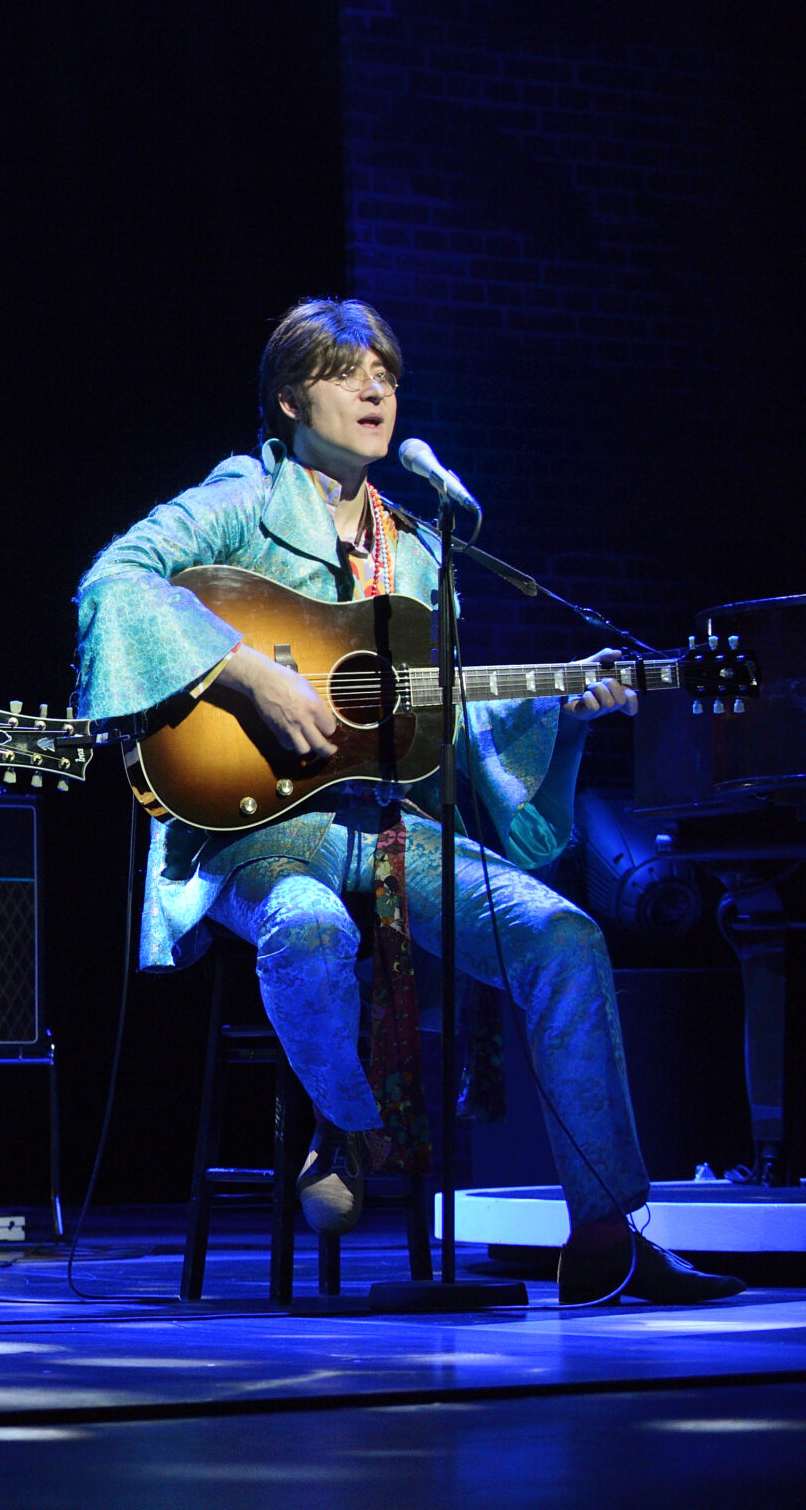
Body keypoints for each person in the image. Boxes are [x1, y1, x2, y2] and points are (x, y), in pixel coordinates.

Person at [74, 297, 740, 1305]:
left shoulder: (418, 548)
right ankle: (354, 1124)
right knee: (304, 935)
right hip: (259, 828)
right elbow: (111, 585)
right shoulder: (239, 501)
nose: (375, 387)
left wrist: (569, 708)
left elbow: (448, 727)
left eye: (383, 368)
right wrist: (249, 672)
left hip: (390, 825)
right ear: (291, 399)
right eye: (347, 371)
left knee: (560, 936)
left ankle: (608, 1231)